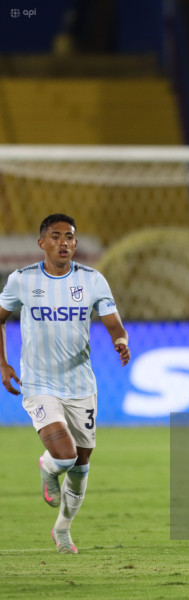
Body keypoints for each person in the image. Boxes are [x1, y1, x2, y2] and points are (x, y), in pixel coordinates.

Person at [0, 214, 131, 554]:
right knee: (65, 455)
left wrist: (120, 341)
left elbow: (113, 322)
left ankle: (62, 529)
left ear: (75, 243)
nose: (64, 242)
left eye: (70, 237)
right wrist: (3, 363)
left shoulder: (92, 280)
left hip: (81, 385)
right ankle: (47, 466)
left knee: (82, 464)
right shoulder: (22, 280)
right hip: (39, 383)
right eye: (55, 236)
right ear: (42, 243)